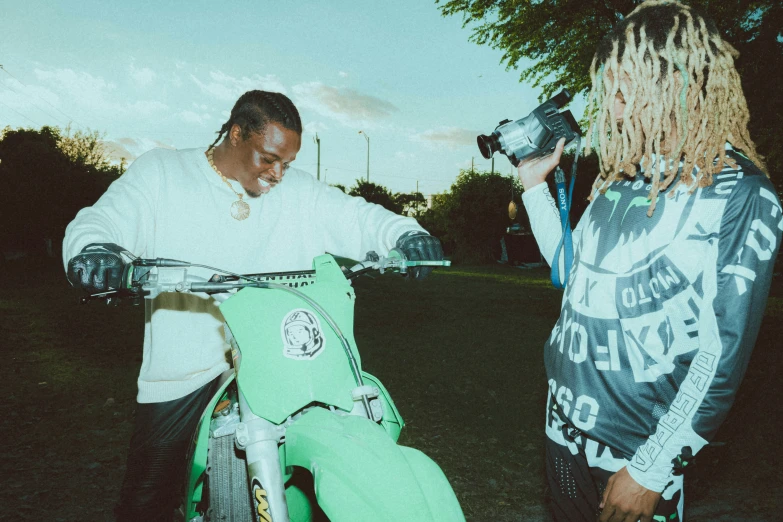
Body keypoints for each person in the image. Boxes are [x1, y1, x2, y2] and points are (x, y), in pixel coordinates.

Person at [62, 90, 444, 522]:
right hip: (189, 369)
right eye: (268, 158)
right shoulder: (163, 173)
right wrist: (95, 250)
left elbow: (357, 216)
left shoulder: (300, 192)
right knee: (145, 502)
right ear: (236, 133)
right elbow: (104, 219)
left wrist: (405, 234)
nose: (278, 173)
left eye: (287, 163)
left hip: (285, 365)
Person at [517, 2, 781, 521]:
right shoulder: (622, 177)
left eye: (624, 89)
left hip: (633, 458)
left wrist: (653, 469)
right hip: (560, 435)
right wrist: (533, 189)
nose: (612, 110)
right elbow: (574, 277)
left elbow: (720, 357)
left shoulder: (741, 194)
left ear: (676, 81)